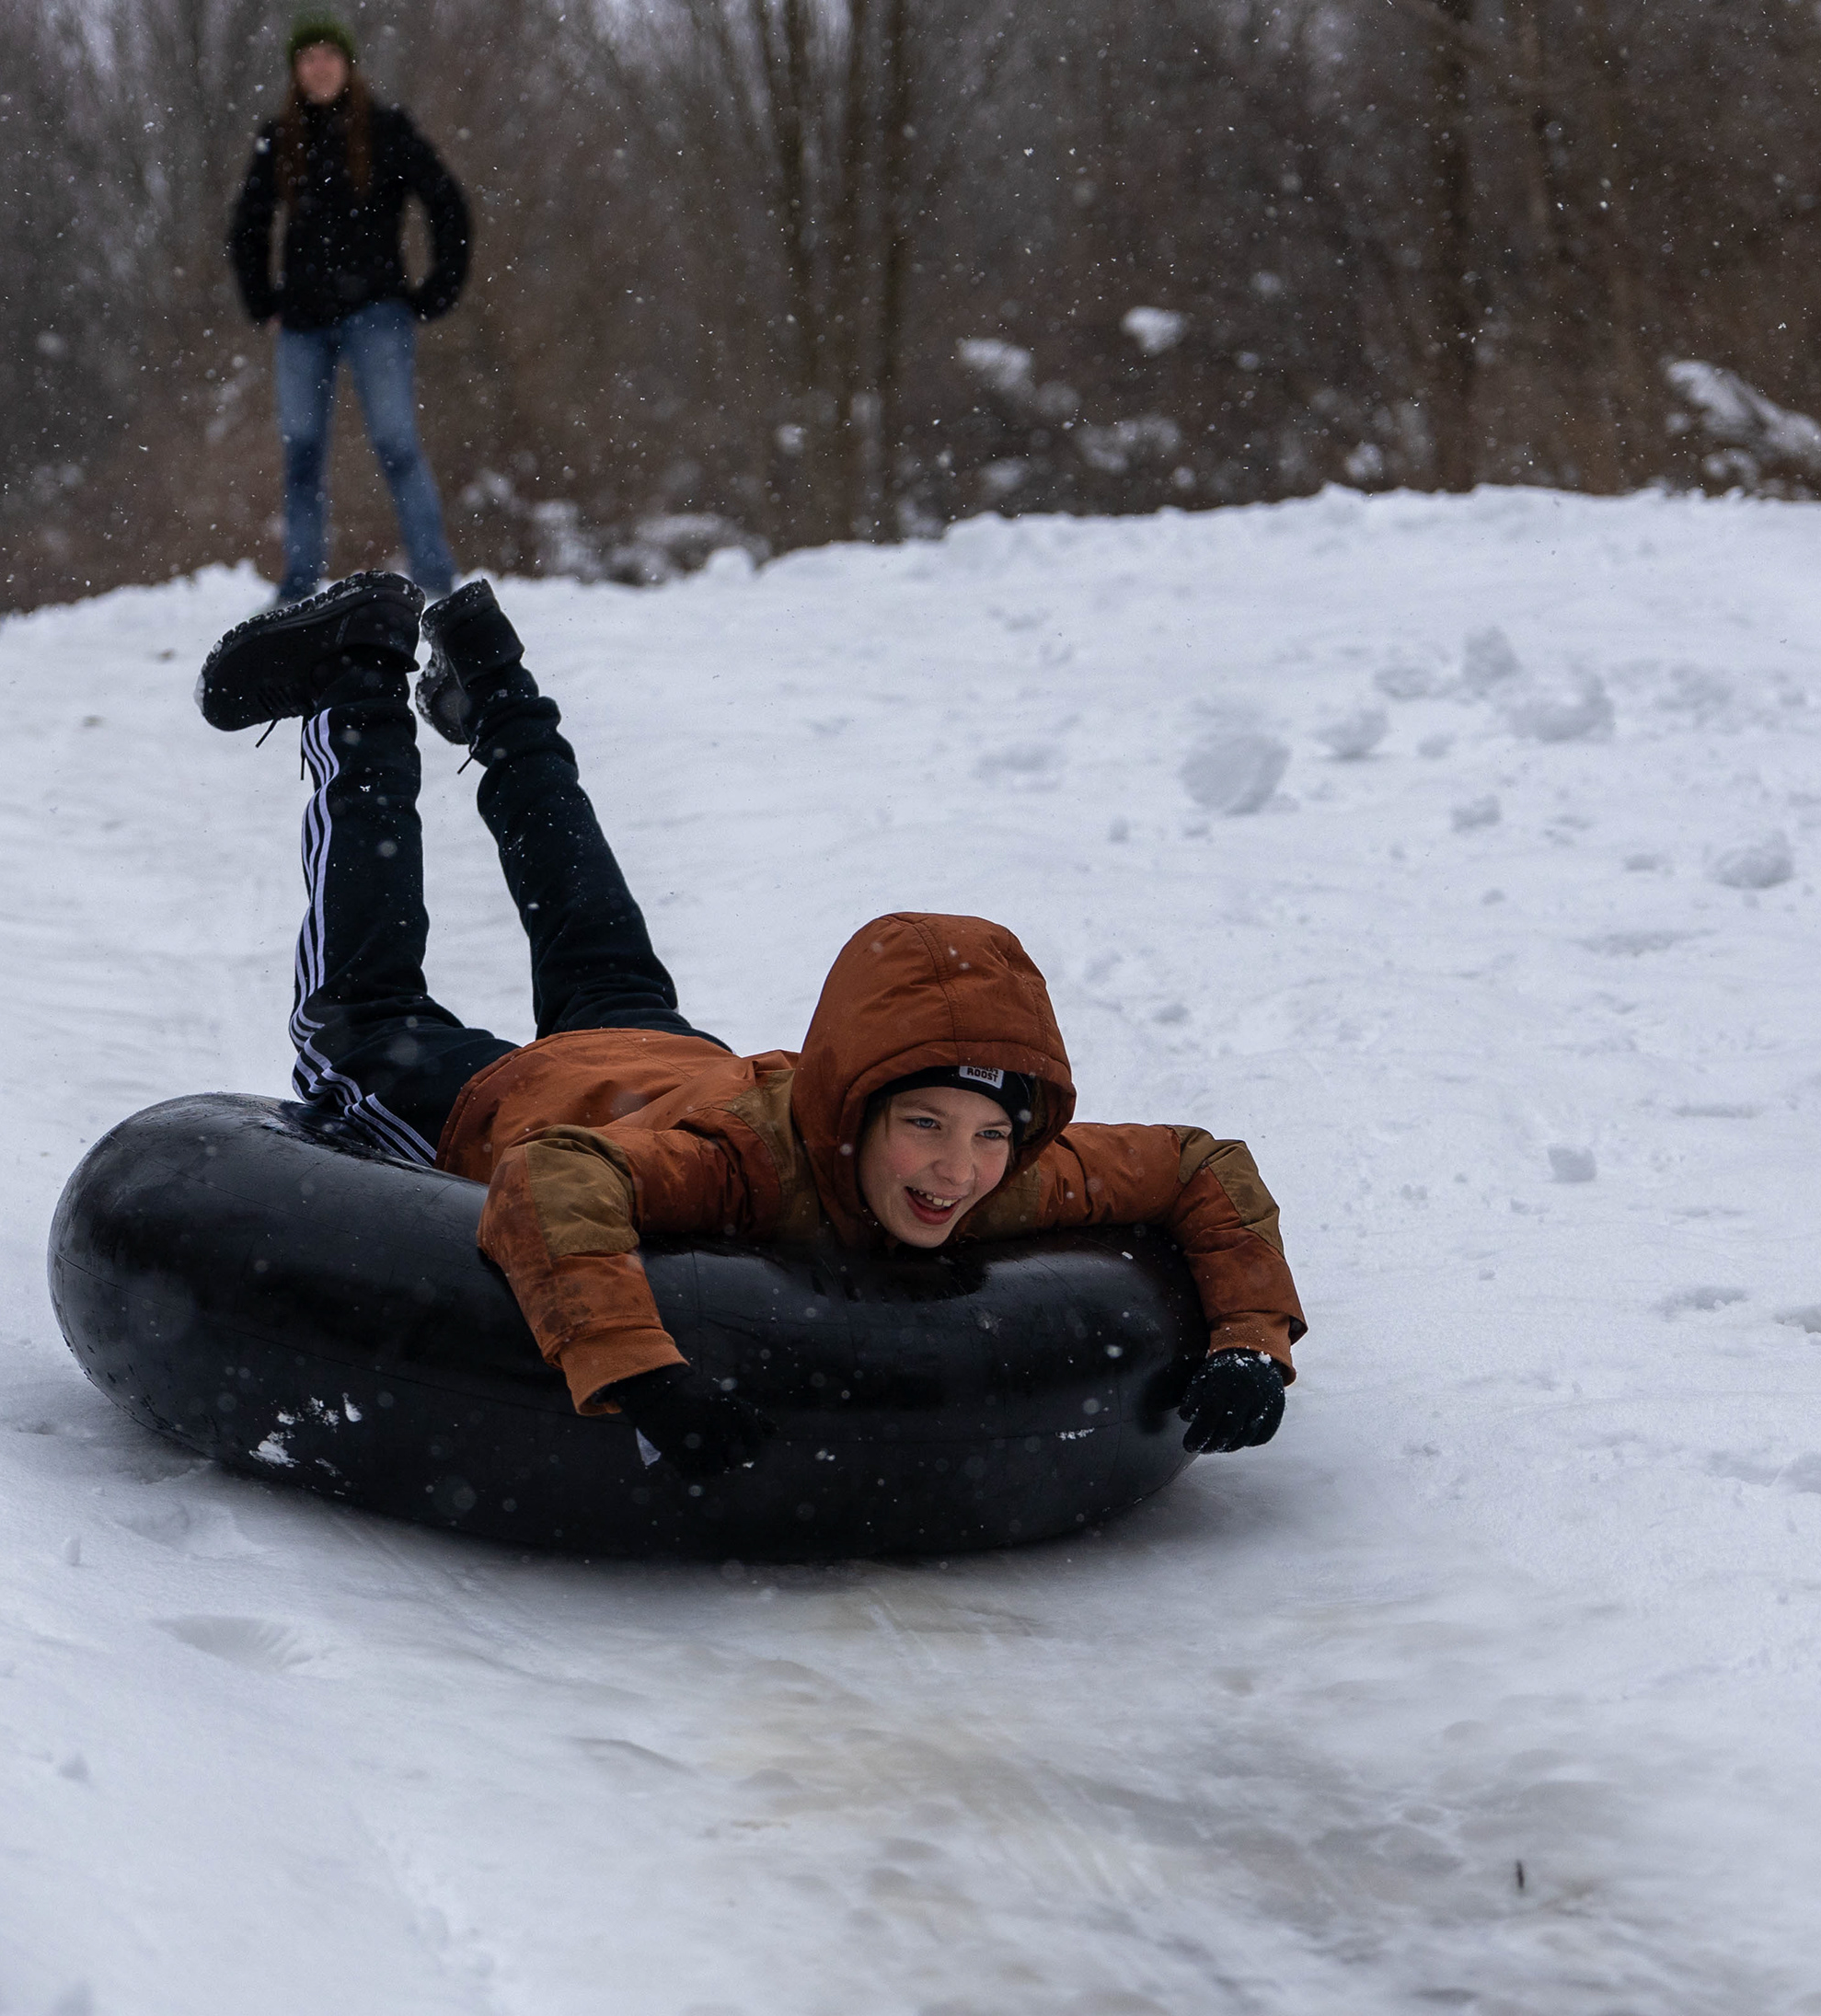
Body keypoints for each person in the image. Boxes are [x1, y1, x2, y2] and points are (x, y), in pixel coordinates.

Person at [194, 572, 1308, 1474]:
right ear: (855, 1108)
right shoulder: (742, 1167)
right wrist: (638, 1368)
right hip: (541, 1097)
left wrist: (1251, 1343)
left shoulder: (1010, 1174)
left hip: (670, 1063)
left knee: (588, 924)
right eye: (924, 1125)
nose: (956, 1171)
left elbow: (1200, 1165)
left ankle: (496, 684)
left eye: (985, 1135)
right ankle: (359, 677)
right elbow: (553, 1174)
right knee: (352, 1023)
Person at [225, 15, 470, 604]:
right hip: (302, 321)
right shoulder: (279, 139)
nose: (319, 67)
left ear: (348, 63)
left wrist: (437, 290)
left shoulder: (387, 130)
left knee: (396, 443)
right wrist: (262, 301)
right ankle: (299, 587)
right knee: (302, 451)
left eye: (328, 55)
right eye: (307, 57)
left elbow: (447, 203)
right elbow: (248, 224)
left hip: (377, 312)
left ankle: (436, 581)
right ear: (295, 70)